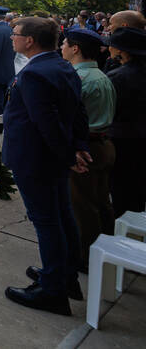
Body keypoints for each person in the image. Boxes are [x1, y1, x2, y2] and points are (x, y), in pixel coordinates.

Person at [2, 16, 88, 316]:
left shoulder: (35, 74)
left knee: (48, 222)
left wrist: (69, 154)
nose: (12, 37)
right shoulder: (62, 66)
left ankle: (53, 292)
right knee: (62, 216)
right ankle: (65, 276)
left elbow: (46, 123)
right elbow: (78, 112)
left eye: (16, 34)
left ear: (30, 41)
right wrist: (78, 147)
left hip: (36, 158)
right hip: (51, 157)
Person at [60, 27, 116, 269]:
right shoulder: (102, 76)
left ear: (75, 49)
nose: (61, 47)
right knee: (100, 201)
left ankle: (83, 256)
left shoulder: (78, 78)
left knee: (82, 206)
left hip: (86, 146)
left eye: (65, 44)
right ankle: (102, 247)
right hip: (102, 143)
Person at [105, 26, 146, 217]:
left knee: (121, 189)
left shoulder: (117, 77)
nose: (108, 49)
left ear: (121, 50)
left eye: (111, 46)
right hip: (136, 137)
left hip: (122, 140)